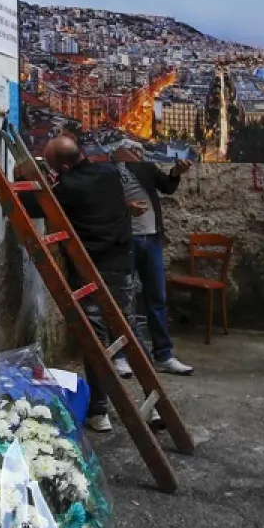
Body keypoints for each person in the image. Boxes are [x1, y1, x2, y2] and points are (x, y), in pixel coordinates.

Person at [18, 135, 150, 433]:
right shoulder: (110, 174)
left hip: (88, 272)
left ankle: (99, 411)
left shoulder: (66, 189)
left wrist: (26, 178)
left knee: (96, 342)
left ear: (62, 166)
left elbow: (35, 206)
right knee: (130, 332)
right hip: (121, 264)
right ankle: (152, 407)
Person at [112, 146, 193, 375]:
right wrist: (125, 207)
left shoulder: (143, 166)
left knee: (157, 298)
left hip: (151, 238)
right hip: (123, 241)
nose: (133, 151)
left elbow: (166, 186)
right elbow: (99, 201)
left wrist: (175, 172)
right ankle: (121, 356)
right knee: (122, 301)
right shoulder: (104, 171)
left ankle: (163, 355)